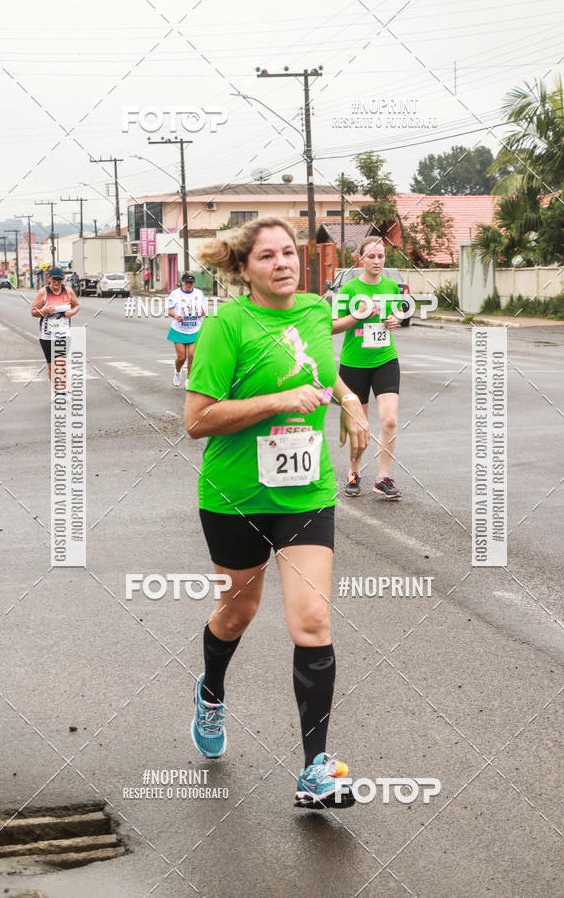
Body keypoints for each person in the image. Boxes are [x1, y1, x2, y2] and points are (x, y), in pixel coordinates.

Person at [185, 216, 369, 809]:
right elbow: (196, 420)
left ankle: (316, 768)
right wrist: (277, 402)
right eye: (267, 256)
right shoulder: (226, 324)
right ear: (245, 268)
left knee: (312, 620)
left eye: (288, 252)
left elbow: (322, 366)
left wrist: (348, 402)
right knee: (237, 612)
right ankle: (211, 692)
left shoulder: (316, 311)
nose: (282, 263)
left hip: (306, 493)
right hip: (236, 494)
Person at [331, 237, 403, 499]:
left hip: (385, 359)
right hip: (354, 364)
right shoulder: (349, 289)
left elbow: (398, 313)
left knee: (390, 419)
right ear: (360, 259)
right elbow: (332, 326)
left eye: (381, 256)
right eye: (371, 256)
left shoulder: (391, 286)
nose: (376, 261)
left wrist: (396, 319)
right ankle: (354, 472)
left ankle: (383, 477)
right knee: (359, 425)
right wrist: (357, 315)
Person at [30, 266, 80, 388]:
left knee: (61, 362)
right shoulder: (43, 292)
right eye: (54, 280)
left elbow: (77, 305)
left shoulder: (68, 291)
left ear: (62, 280)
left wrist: (71, 312)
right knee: (51, 365)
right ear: (50, 279)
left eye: (59, 280)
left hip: (63, 332)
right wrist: (44, 310)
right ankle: (57, 390)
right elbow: (33, 312)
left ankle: (62, 390)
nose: (57, 283)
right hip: (46, 334)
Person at [166, 272, 207, 389]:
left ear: (194, 283)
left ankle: (189, 379)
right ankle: (177, 372)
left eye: (191, 282)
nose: (189, 285)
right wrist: (176, 316)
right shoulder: (175, 294)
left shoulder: (199, 293)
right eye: (186, 282)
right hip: (179, 330)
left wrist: (200, 312)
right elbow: (168, 310)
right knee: (182, 357)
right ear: (182, 282)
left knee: (192, 355)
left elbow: (204, 310)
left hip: (194, 329)